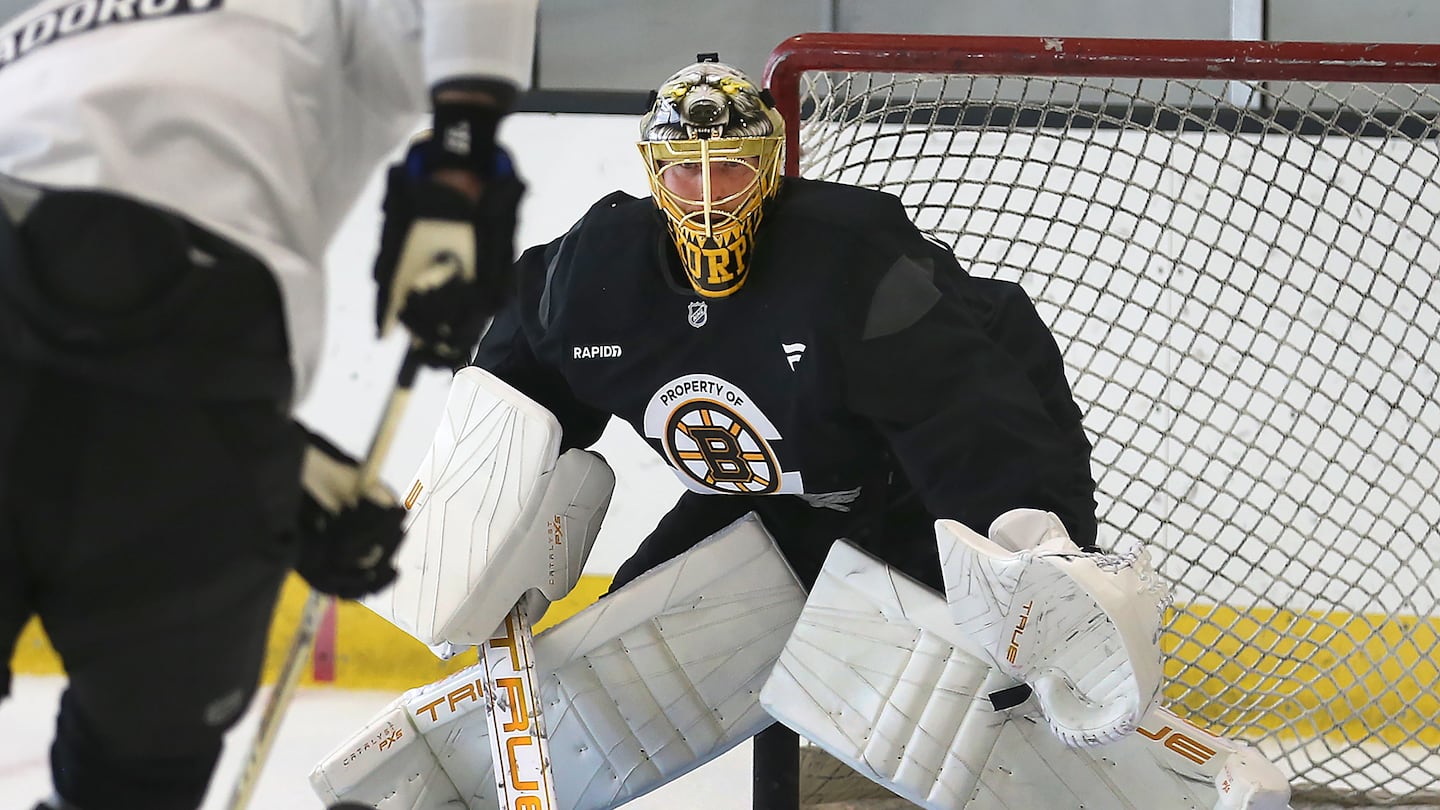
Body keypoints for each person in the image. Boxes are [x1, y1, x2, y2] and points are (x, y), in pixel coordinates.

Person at [0, 2, 534, 809]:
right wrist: (463, 152)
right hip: (188, 361)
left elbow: (65, 315)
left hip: (165, 368)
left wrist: (274, 468)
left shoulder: (38, 31)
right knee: (135, 777)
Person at [472, 53, 1099, 597]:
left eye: (732, 166)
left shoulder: (850, 260)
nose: (710, 193)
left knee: (958, 698)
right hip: (771, 506)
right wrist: (483, 555)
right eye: (687, 168)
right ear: (653, 171)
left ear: (770, 164)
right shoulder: (591, 272)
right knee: (610, 675)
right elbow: (507, 411)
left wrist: (1028, 552)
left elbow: (965, 415)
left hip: (916, 491)